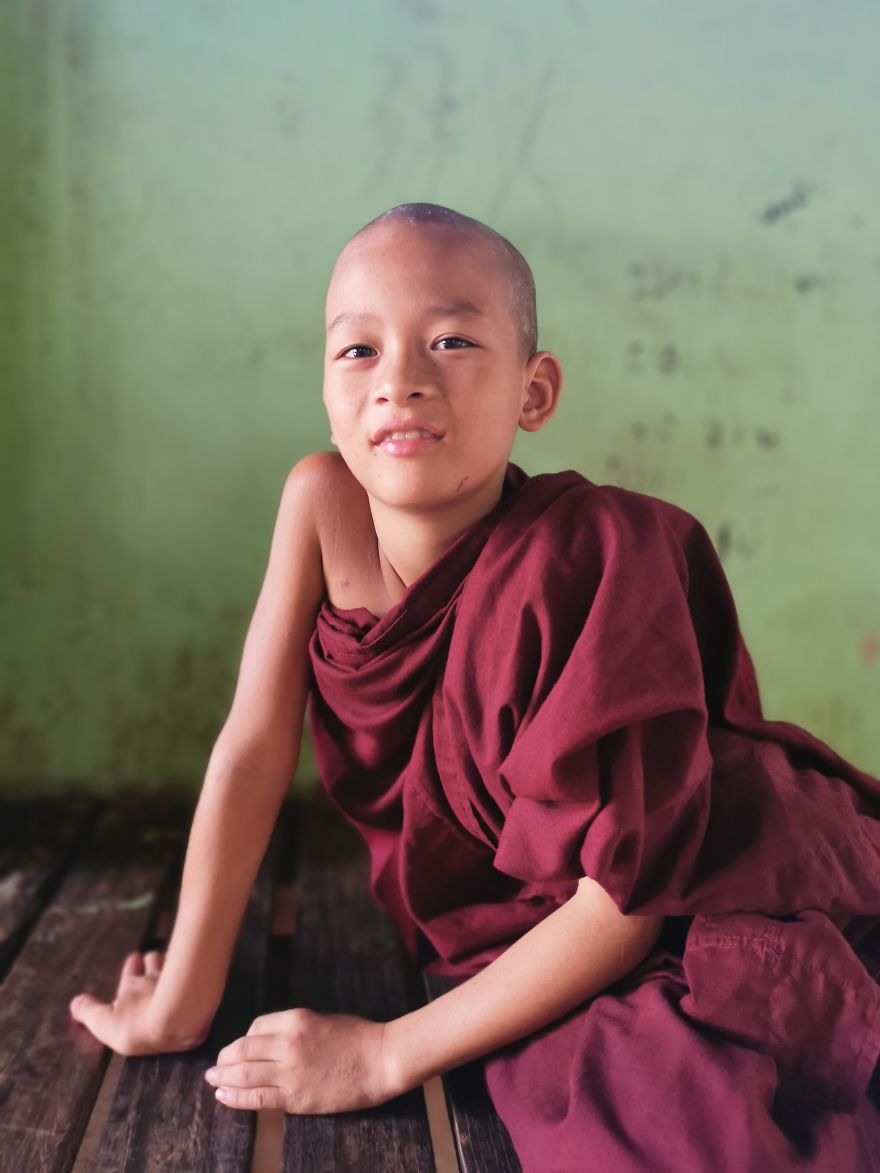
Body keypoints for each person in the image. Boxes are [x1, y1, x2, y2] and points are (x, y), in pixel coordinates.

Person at [70, 203, 880, 1171]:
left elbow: (629, 897)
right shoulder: (322, 503)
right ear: (326, 393)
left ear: (534, 392)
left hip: (692, 887)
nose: (399, 381)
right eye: (357, 352)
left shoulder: (604, 552)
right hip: (493, 935)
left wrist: (386, 1053)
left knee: (684, 1115)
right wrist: (178, 1004)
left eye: (451, 340)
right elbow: (252, 747)